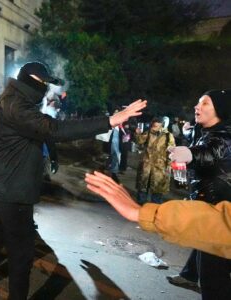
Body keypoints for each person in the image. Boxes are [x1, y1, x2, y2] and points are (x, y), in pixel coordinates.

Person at [0, 61, 147, 299]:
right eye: (44, 84)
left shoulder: (10, 101)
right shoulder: (15, 106)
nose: (46, 91)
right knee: (22, 255)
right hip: (11, 192)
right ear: (31, 82)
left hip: (2, 188)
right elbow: (55, 130)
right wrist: (110, 120)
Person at [165, 89, 231, 299]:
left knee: (214, 278)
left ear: (220, 110)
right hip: (208, 206)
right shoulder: (205, 129)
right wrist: (187, 133)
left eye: (205, 104)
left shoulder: (225, 136)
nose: (197, 107)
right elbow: (200, 138)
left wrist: (189, 154)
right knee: (203, 248)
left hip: (219, 214)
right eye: (198, 103)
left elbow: (212, 152)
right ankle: (189, 275)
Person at [84, 171, 230, 259]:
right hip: (149, 173)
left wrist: (150, 214)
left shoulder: (168, 136)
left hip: (160, 175)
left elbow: (223, 224)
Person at [134, 117, 175, 204]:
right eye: (154, 125)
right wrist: (137, 134)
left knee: (157, 192)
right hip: (146, 167)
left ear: (162, 125)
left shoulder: (168, 136)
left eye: (157, 125)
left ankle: (154, 211)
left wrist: (169, 165)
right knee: (142, 189)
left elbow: (171, 152)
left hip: (159, 168)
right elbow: (139, 142)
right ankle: (141, 210)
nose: (155, 127)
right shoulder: (148, 133)